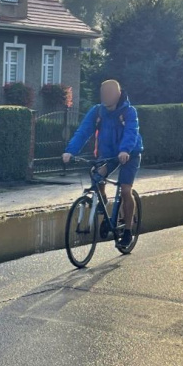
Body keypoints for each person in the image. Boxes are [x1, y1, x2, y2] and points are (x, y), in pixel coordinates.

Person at [63, 80, 144, 248]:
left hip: (130, 154)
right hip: (108, 155)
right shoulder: (97, 111)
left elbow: (131, 131)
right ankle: (103, 199)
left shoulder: (129, 112)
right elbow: (83, 131)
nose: (105, 97)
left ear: (118, 94)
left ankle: (128, 231)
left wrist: (125, 150)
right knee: (96, 174)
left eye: (109, 93)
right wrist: (70, 151)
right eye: (103, 93)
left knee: (125, 190)